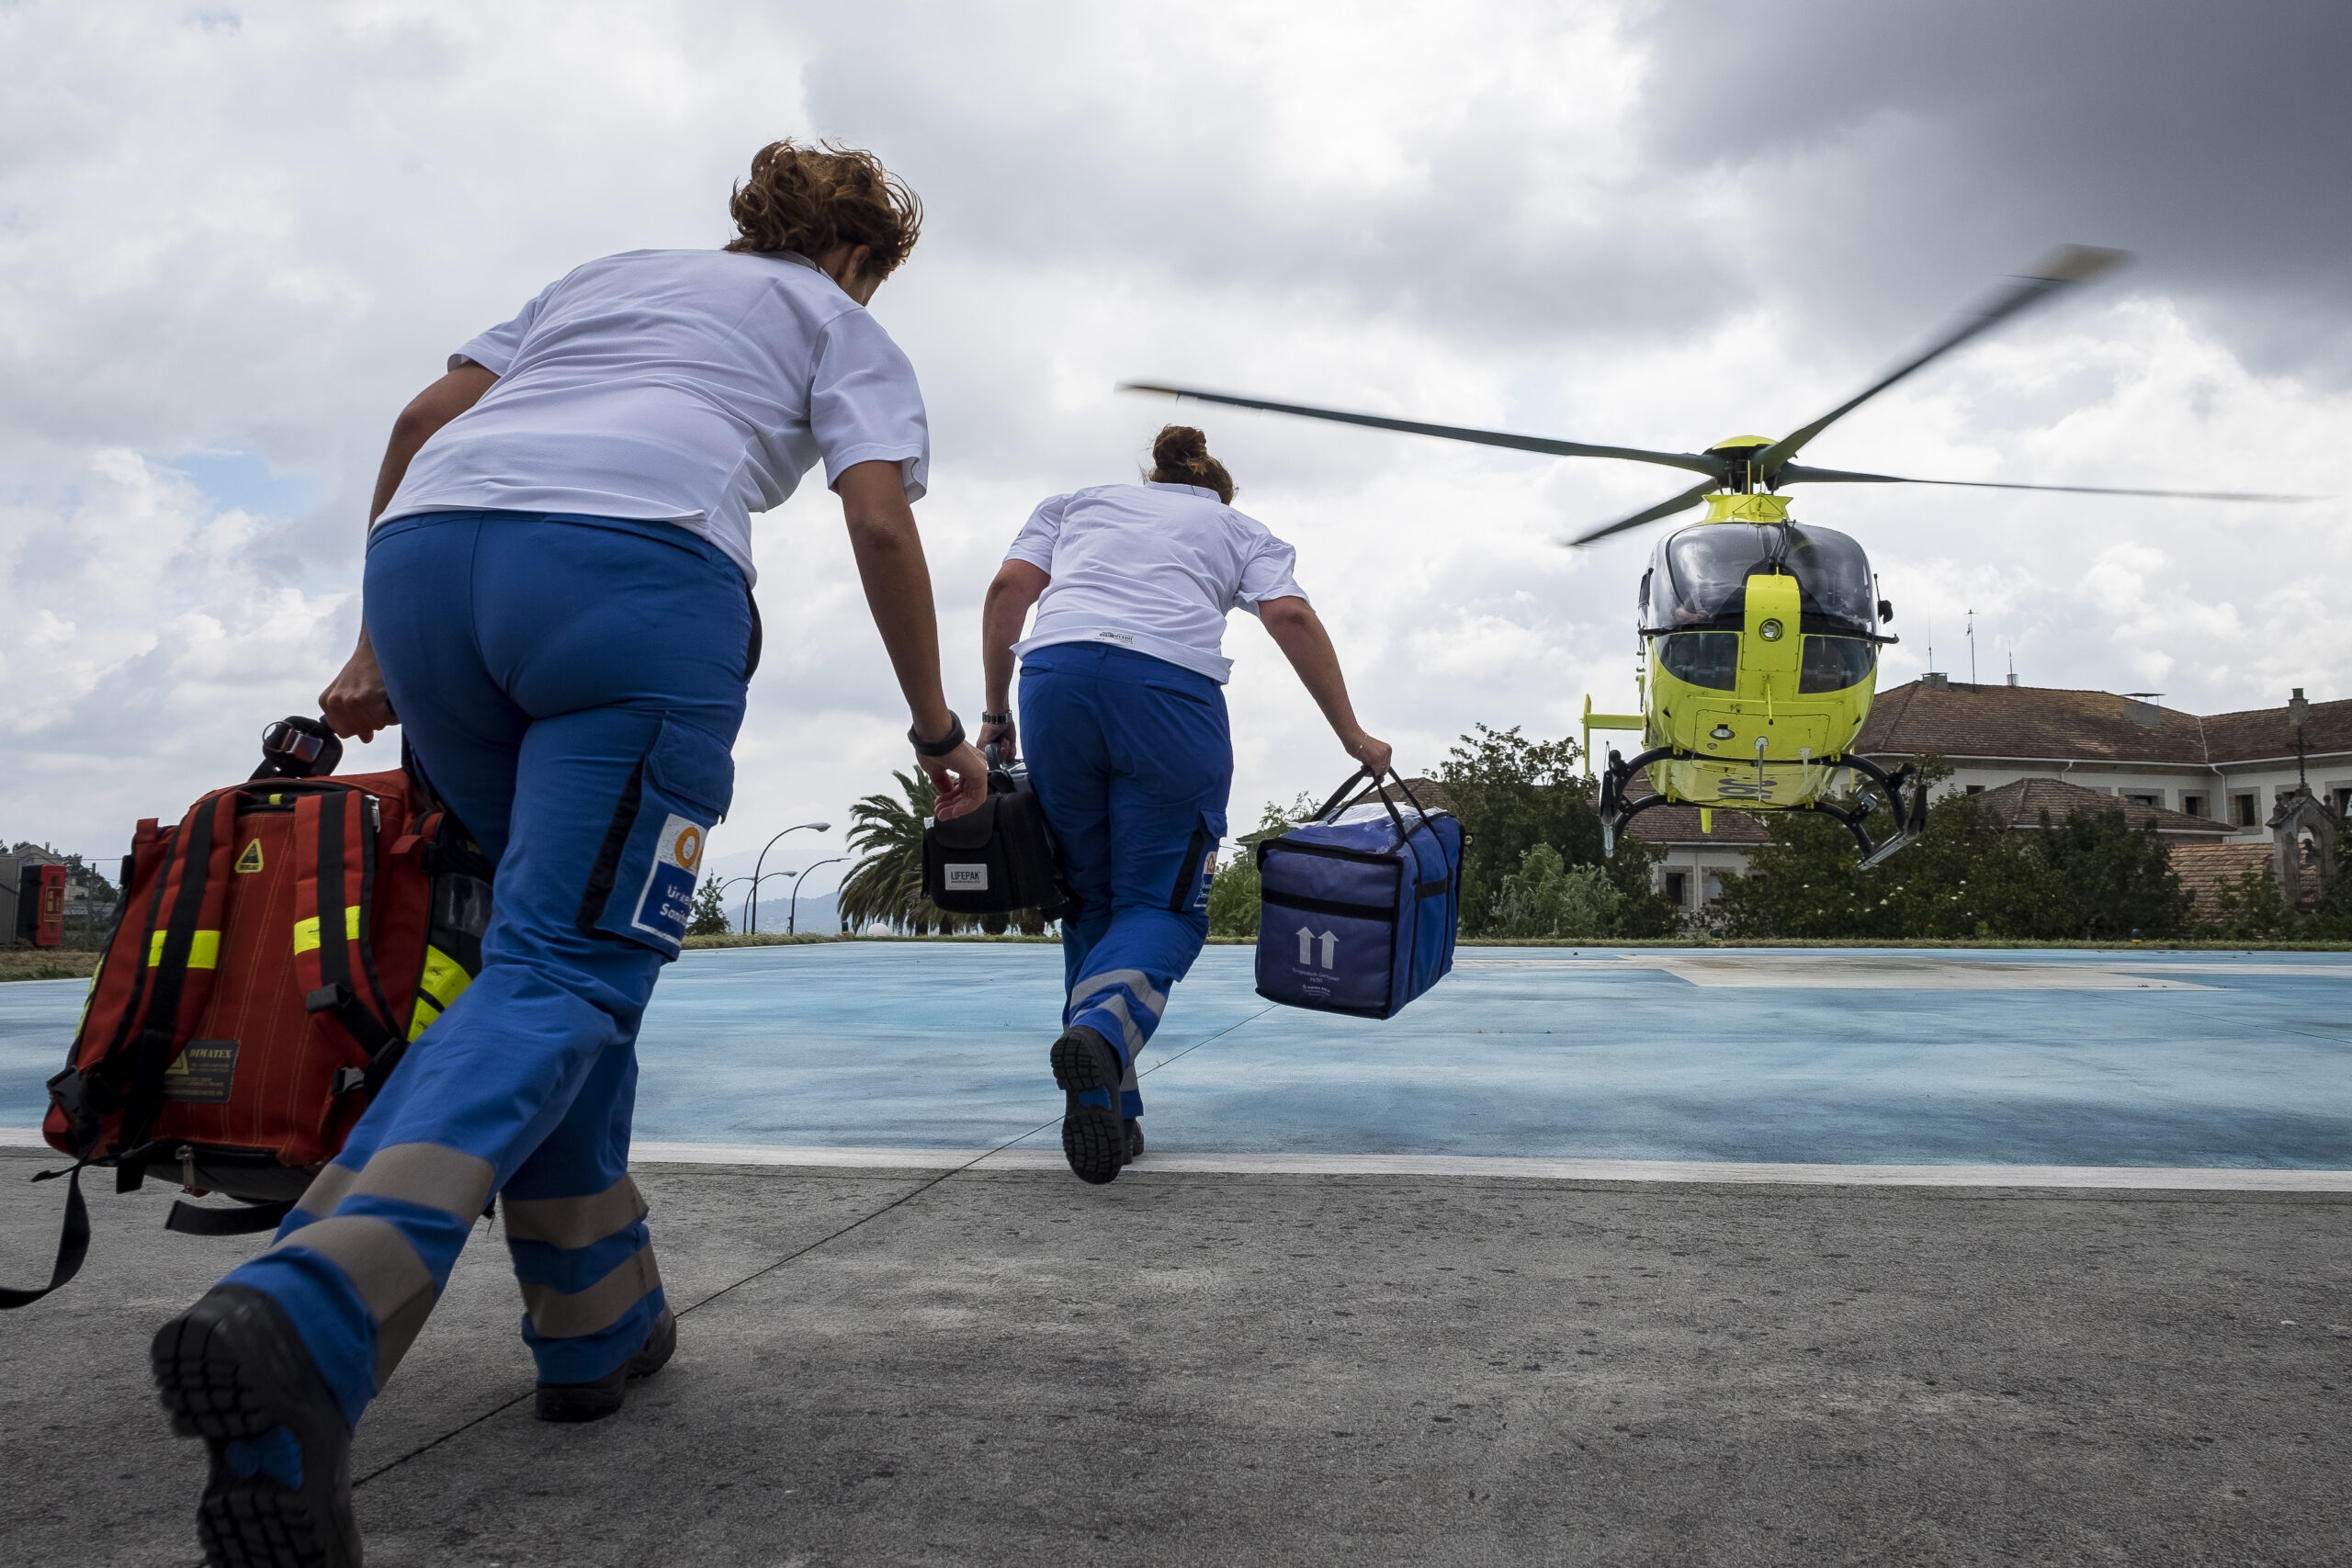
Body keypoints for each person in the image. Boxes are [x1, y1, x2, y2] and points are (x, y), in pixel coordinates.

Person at [147, 141, 989, 1568]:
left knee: (553, 958)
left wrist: (368, 644)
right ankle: (316, 1302)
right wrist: (936, 731)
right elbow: (875, 515)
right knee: (569, 963)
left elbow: (421, 416)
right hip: (629, 584)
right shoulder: (842, 321)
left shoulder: (601, 279)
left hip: (430, 573)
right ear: (859, 256)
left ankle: (593, 1320)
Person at [978, 425, 1391, 1185]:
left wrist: (995, 715)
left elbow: (1008, 589)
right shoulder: (1240, 529)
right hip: (1167, 693)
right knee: (1167, 907)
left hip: (1054, 680)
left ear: (1155, 480)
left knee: (1091, 899)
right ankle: (1102, 1028)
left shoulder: (1073, 505)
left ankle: (1110, 1102)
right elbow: (1290, 617)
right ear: (1216, 491)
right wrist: (1351, 733)